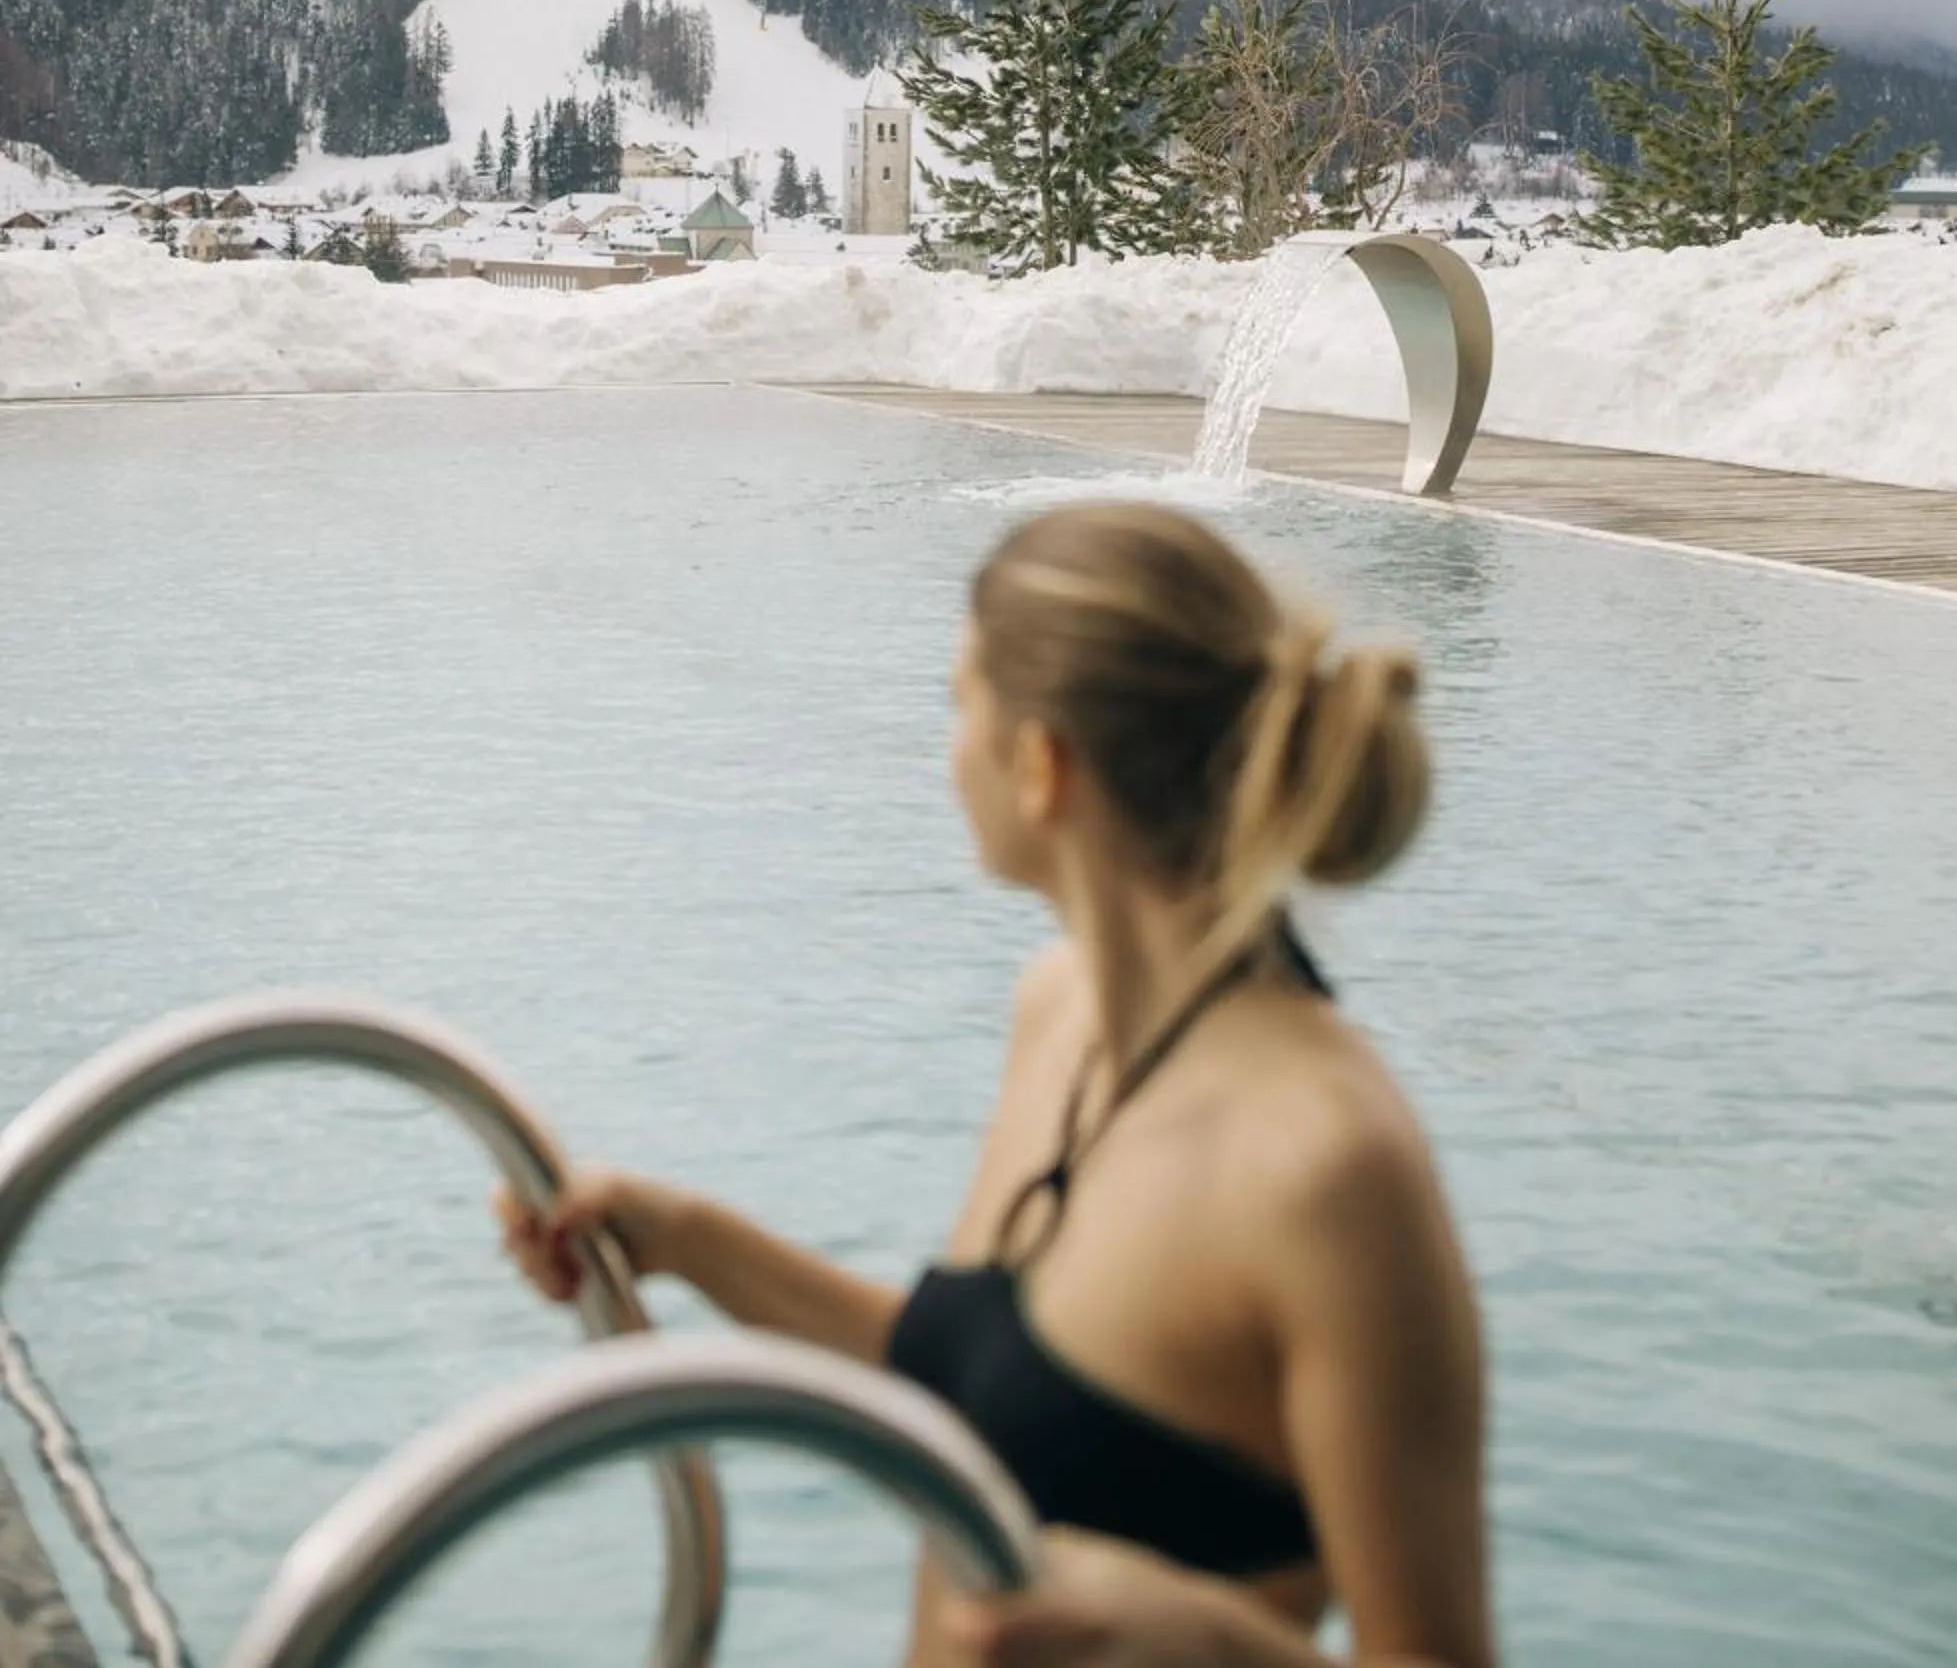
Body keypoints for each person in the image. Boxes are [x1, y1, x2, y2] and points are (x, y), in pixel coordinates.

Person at [498, 500, 1493, 1668]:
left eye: (955, 705)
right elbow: (994, 1390)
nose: (945, 749)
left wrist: (1215, 1643)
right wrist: (684, 1237)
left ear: (1040, 767)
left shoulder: (1324, 1168)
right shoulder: (1060, 1015)